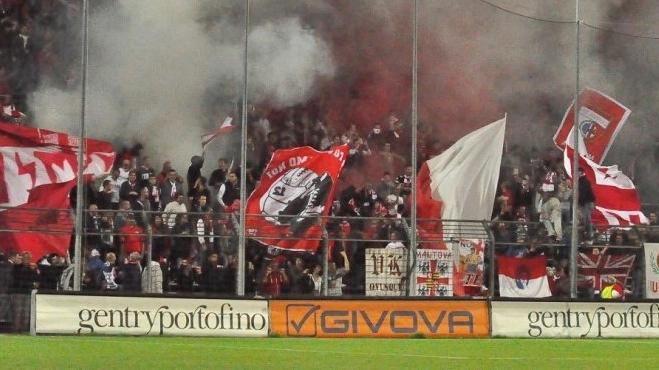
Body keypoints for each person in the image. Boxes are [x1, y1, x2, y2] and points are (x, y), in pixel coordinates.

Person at [578, 167, 596, 240]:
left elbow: (584, 193)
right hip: (586, 202)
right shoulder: (581, 181)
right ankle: (588, 232)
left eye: (578, 172)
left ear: (581, 172)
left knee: (586, 218)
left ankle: (589, 233)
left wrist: (580, 202)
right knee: (585, 218)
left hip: (587, 201)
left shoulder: (584, 181)